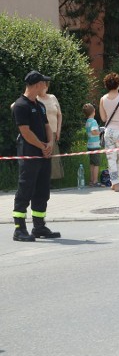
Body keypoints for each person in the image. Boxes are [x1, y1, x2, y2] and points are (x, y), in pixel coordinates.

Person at [11, 71, 59, 242]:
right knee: (26, 189)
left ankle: (39, 226)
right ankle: (19, 228)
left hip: (43, 153)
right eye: (43, 83)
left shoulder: (39, 105)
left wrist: (50, 143)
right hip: (29, 153)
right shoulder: (20, 105)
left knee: (42, 190)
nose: (45, 86)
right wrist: (42, 146)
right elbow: (25, 132)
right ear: (37, 84)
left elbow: (47, 126)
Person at [36, 80, 63, 180]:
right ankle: (43, 179)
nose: (43, 89)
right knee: (43, 156)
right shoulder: (36, 99)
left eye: (45, 87)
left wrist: (58, 130)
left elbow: (59, 114)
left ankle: (52, 180)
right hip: (42, 133)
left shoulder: (53, 97)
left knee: (53, 157)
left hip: (54, 131)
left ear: (47, 87)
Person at [83, 103, 103, 186]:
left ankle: (91, 181)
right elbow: (94, 131)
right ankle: (95, 181)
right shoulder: (94, 121)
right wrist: (100, 131)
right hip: (95, 146)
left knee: (92, 164)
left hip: (90, 145)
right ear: (94, 111)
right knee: (96, 164)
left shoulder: (87, 121)